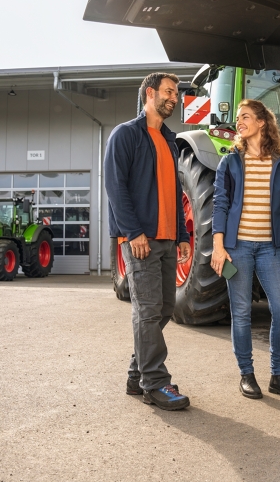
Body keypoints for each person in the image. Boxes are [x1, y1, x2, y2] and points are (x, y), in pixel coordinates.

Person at [104, 72, 192, 411]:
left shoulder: (169, 139)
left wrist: (183, 235)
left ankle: (135, 374)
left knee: (165, 308)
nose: (175, 97)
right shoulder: (126, 134)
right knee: (148, 309)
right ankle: (155, 383)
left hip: (168, 238)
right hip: (142, 238)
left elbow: (174, 190)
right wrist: (134, 232)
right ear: (150, 93)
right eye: (169, 91)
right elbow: (116, 187)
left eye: (177, 93)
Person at [211, 99, 280, 400]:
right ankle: (247, 374)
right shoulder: (231, 161)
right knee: (241, 312)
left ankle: (278, 375)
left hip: (272, 247)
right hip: (237, 247)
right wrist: (218, 247)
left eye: (246, 116)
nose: (239, 122)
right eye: (238, 118)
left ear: (262, 122)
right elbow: (221, 204)